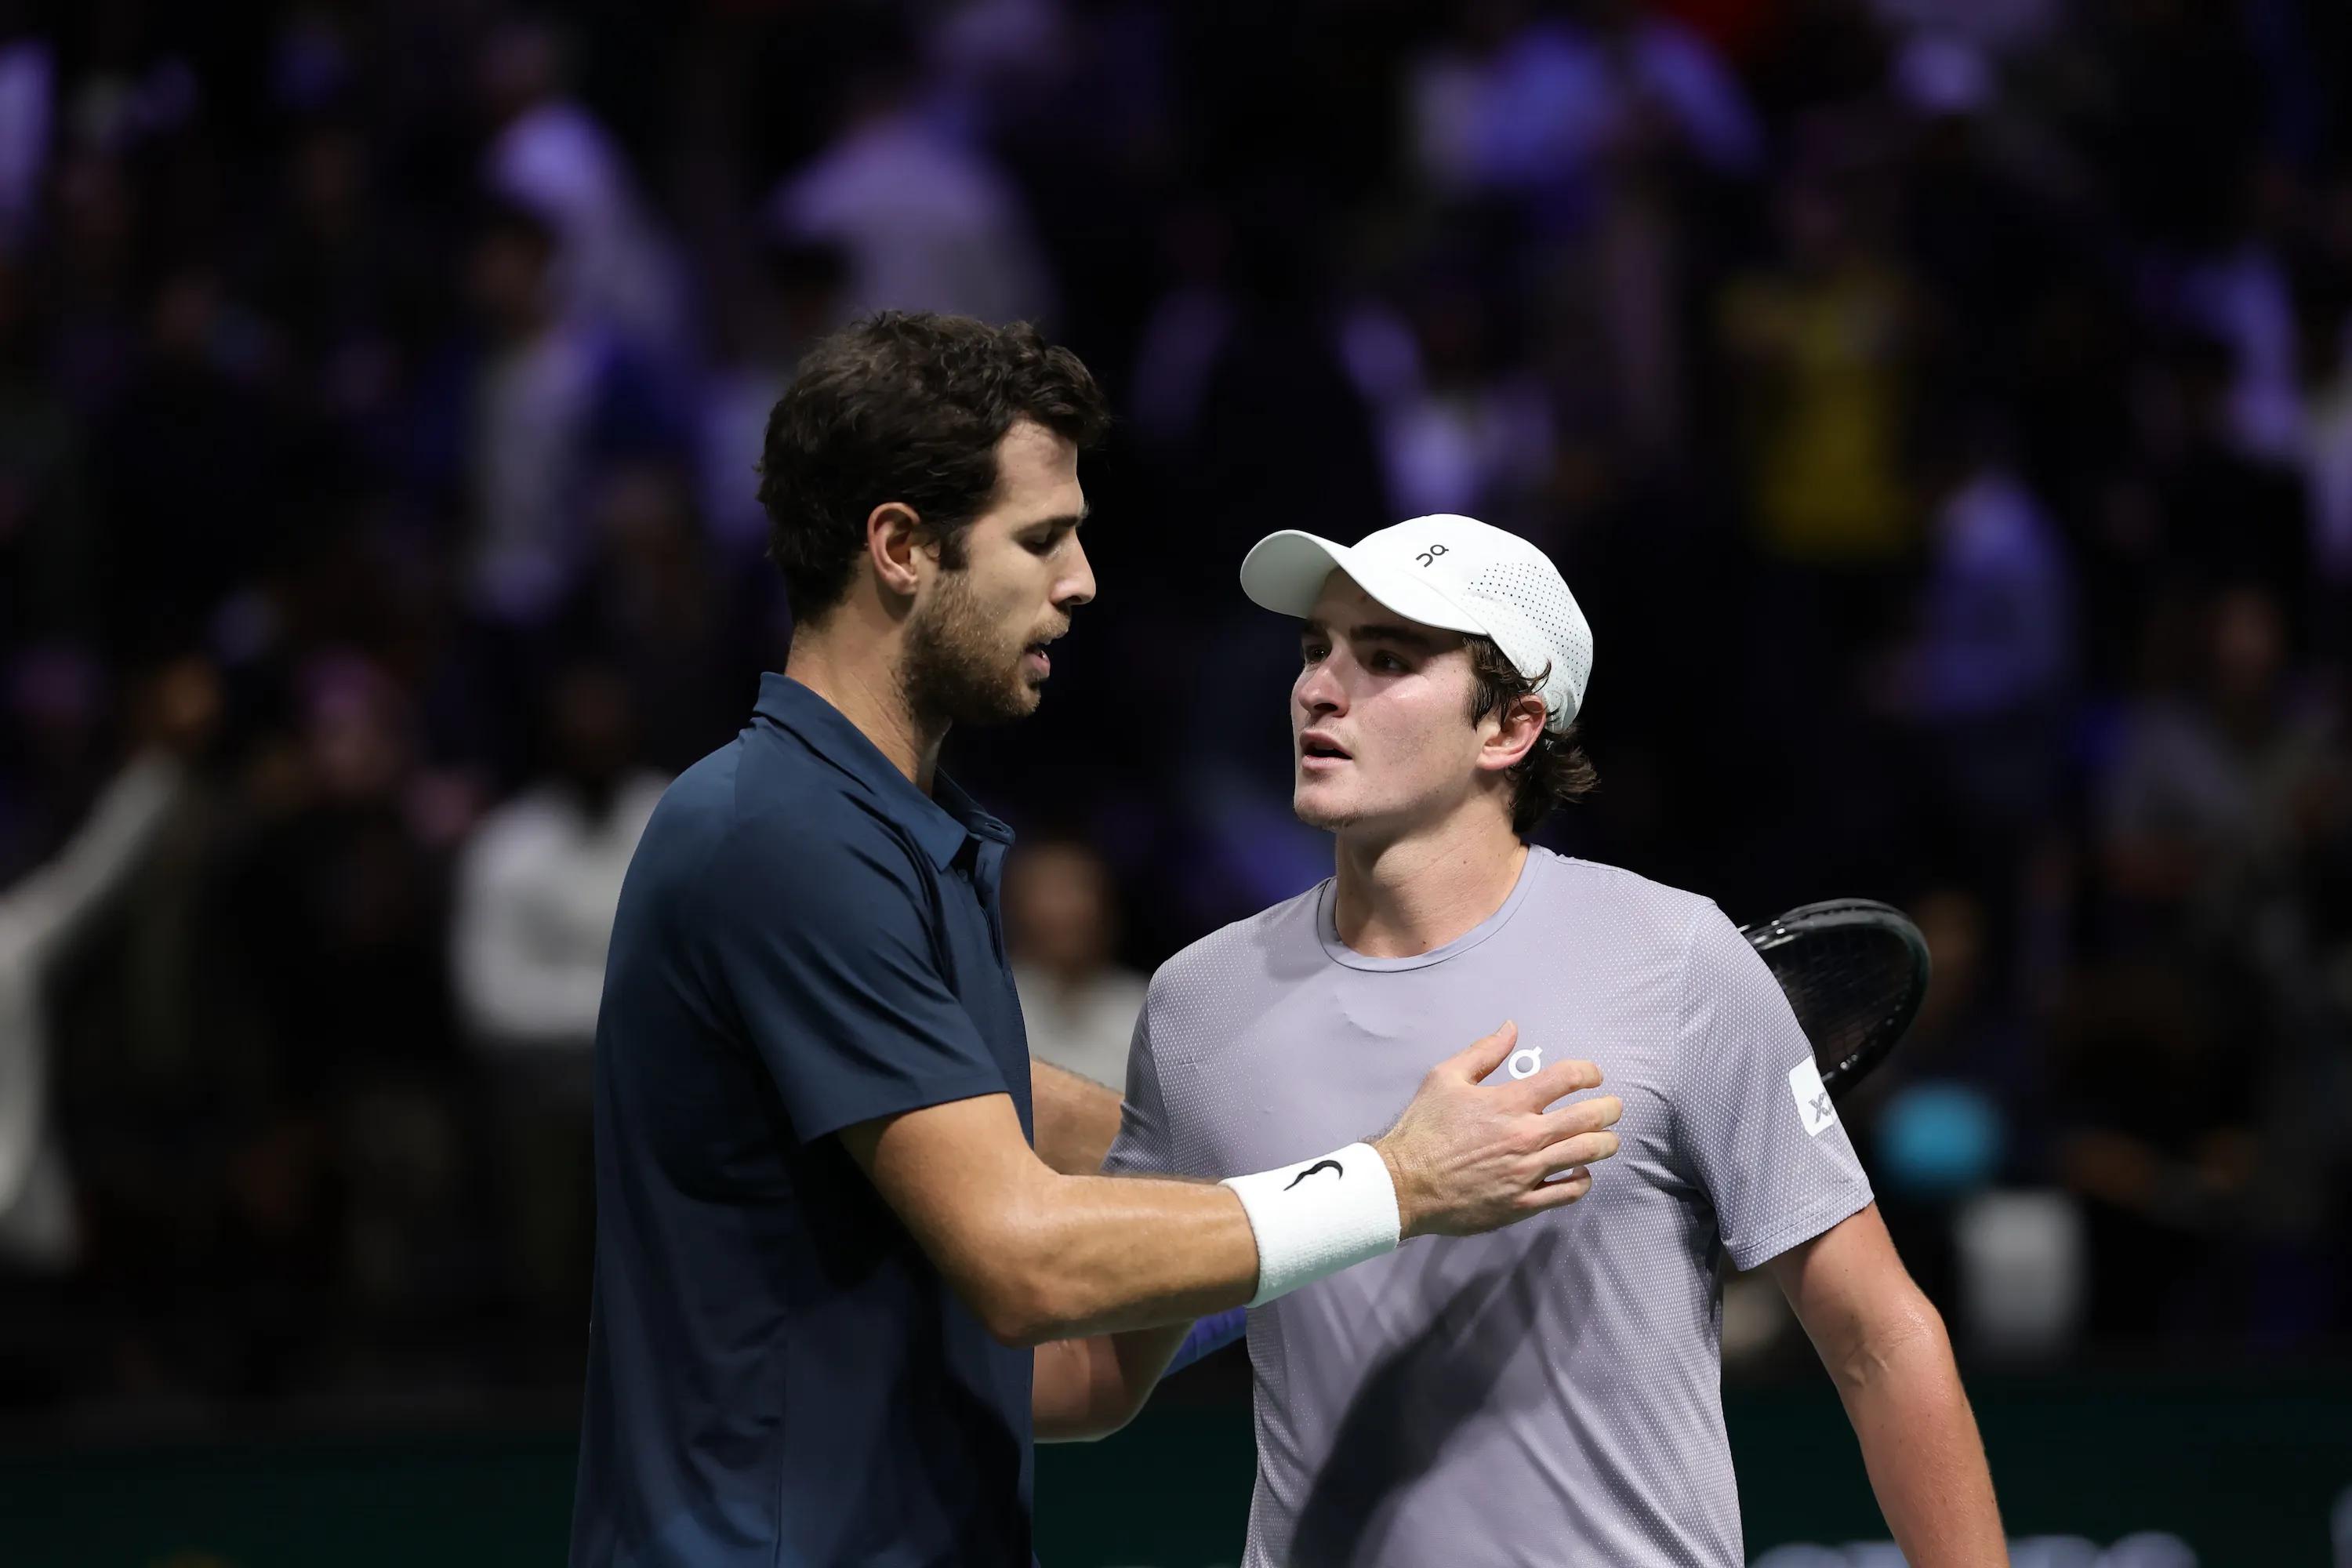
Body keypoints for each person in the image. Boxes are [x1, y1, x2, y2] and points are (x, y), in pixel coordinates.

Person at [568, 314, 1627, 1568]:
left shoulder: (890, 834)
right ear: (900, 547)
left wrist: (1330, 1183)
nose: (1080, 580)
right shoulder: (783, 838)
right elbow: (1027, 1262)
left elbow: (1074, 1374)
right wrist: (1391, 1185)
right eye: (1041, 538)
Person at [1094, 516, 2007, 1566]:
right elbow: (1096, 1375)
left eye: (1385, 658)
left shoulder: (1676, 960)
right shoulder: (1194, 1004)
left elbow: (1879, 1341)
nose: (1318, 688)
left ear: (1511, 728)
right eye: (1316, 649)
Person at [1006, 839, 1148, 1093]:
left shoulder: (1146, 1008)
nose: (1065, 910)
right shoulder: (986, 1009)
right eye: (1050, 891)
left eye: (1076, 889)